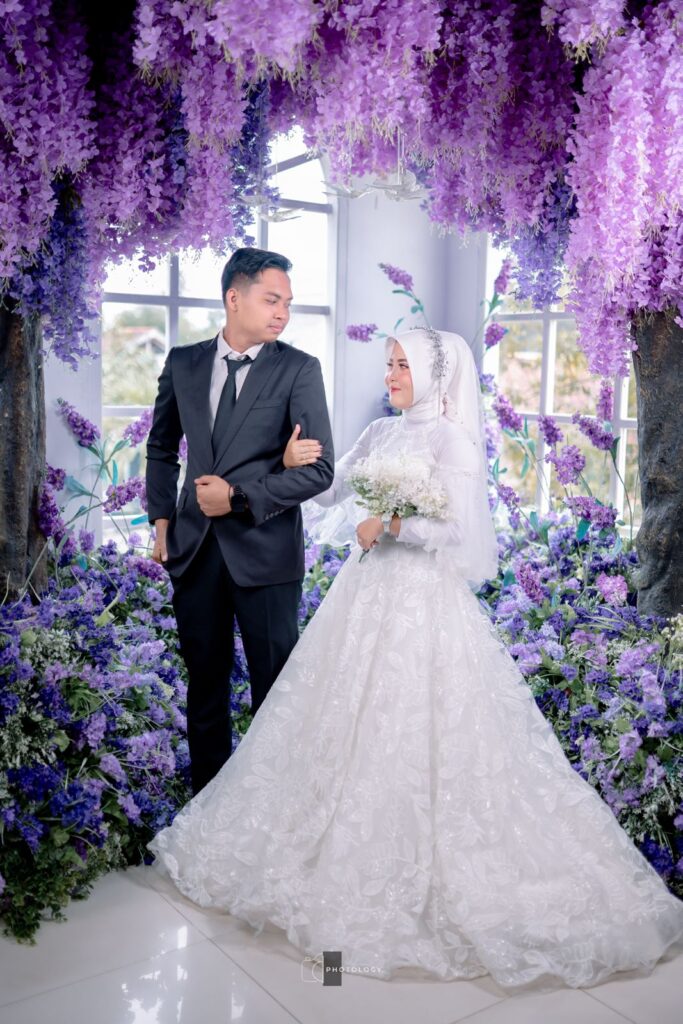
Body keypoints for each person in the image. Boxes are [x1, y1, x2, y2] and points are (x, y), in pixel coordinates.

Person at [149, 327, 683, 989]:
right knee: (339, 723)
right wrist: (288, 463)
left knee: (418, 730)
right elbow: (328, 492)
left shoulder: (450, 442)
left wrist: (394, 524)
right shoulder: (379, 434)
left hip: (424, 604)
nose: (392, 375)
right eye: (390, 364)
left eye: (403, 365)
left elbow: (459, 532)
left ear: (434, 374)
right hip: (363, 596)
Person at [145, 247, 334, 795]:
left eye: (288, 303)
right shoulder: (183, 363)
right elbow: (161, 448)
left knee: (274, 694)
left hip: (266, 553)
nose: (283, 313)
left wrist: (239, 497)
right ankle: (209, 814)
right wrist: (161, 521)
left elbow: (319, 471)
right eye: (272, 300)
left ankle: (275, 810)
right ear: (234, 297)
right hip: (194, 551)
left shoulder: (299, 369)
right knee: (204, 690)